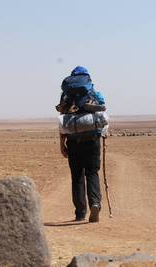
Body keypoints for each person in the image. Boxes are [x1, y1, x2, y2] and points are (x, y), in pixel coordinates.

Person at [58, 66, 106, 223]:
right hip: (92, 140)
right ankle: (95, 203)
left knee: (77, 176)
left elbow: (63, 121)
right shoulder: (94, 93)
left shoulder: (66, 95)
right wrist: (102, 133)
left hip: (73, 141)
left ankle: (80, 213)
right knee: (92, 173)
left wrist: (62, 143)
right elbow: (102, 116)